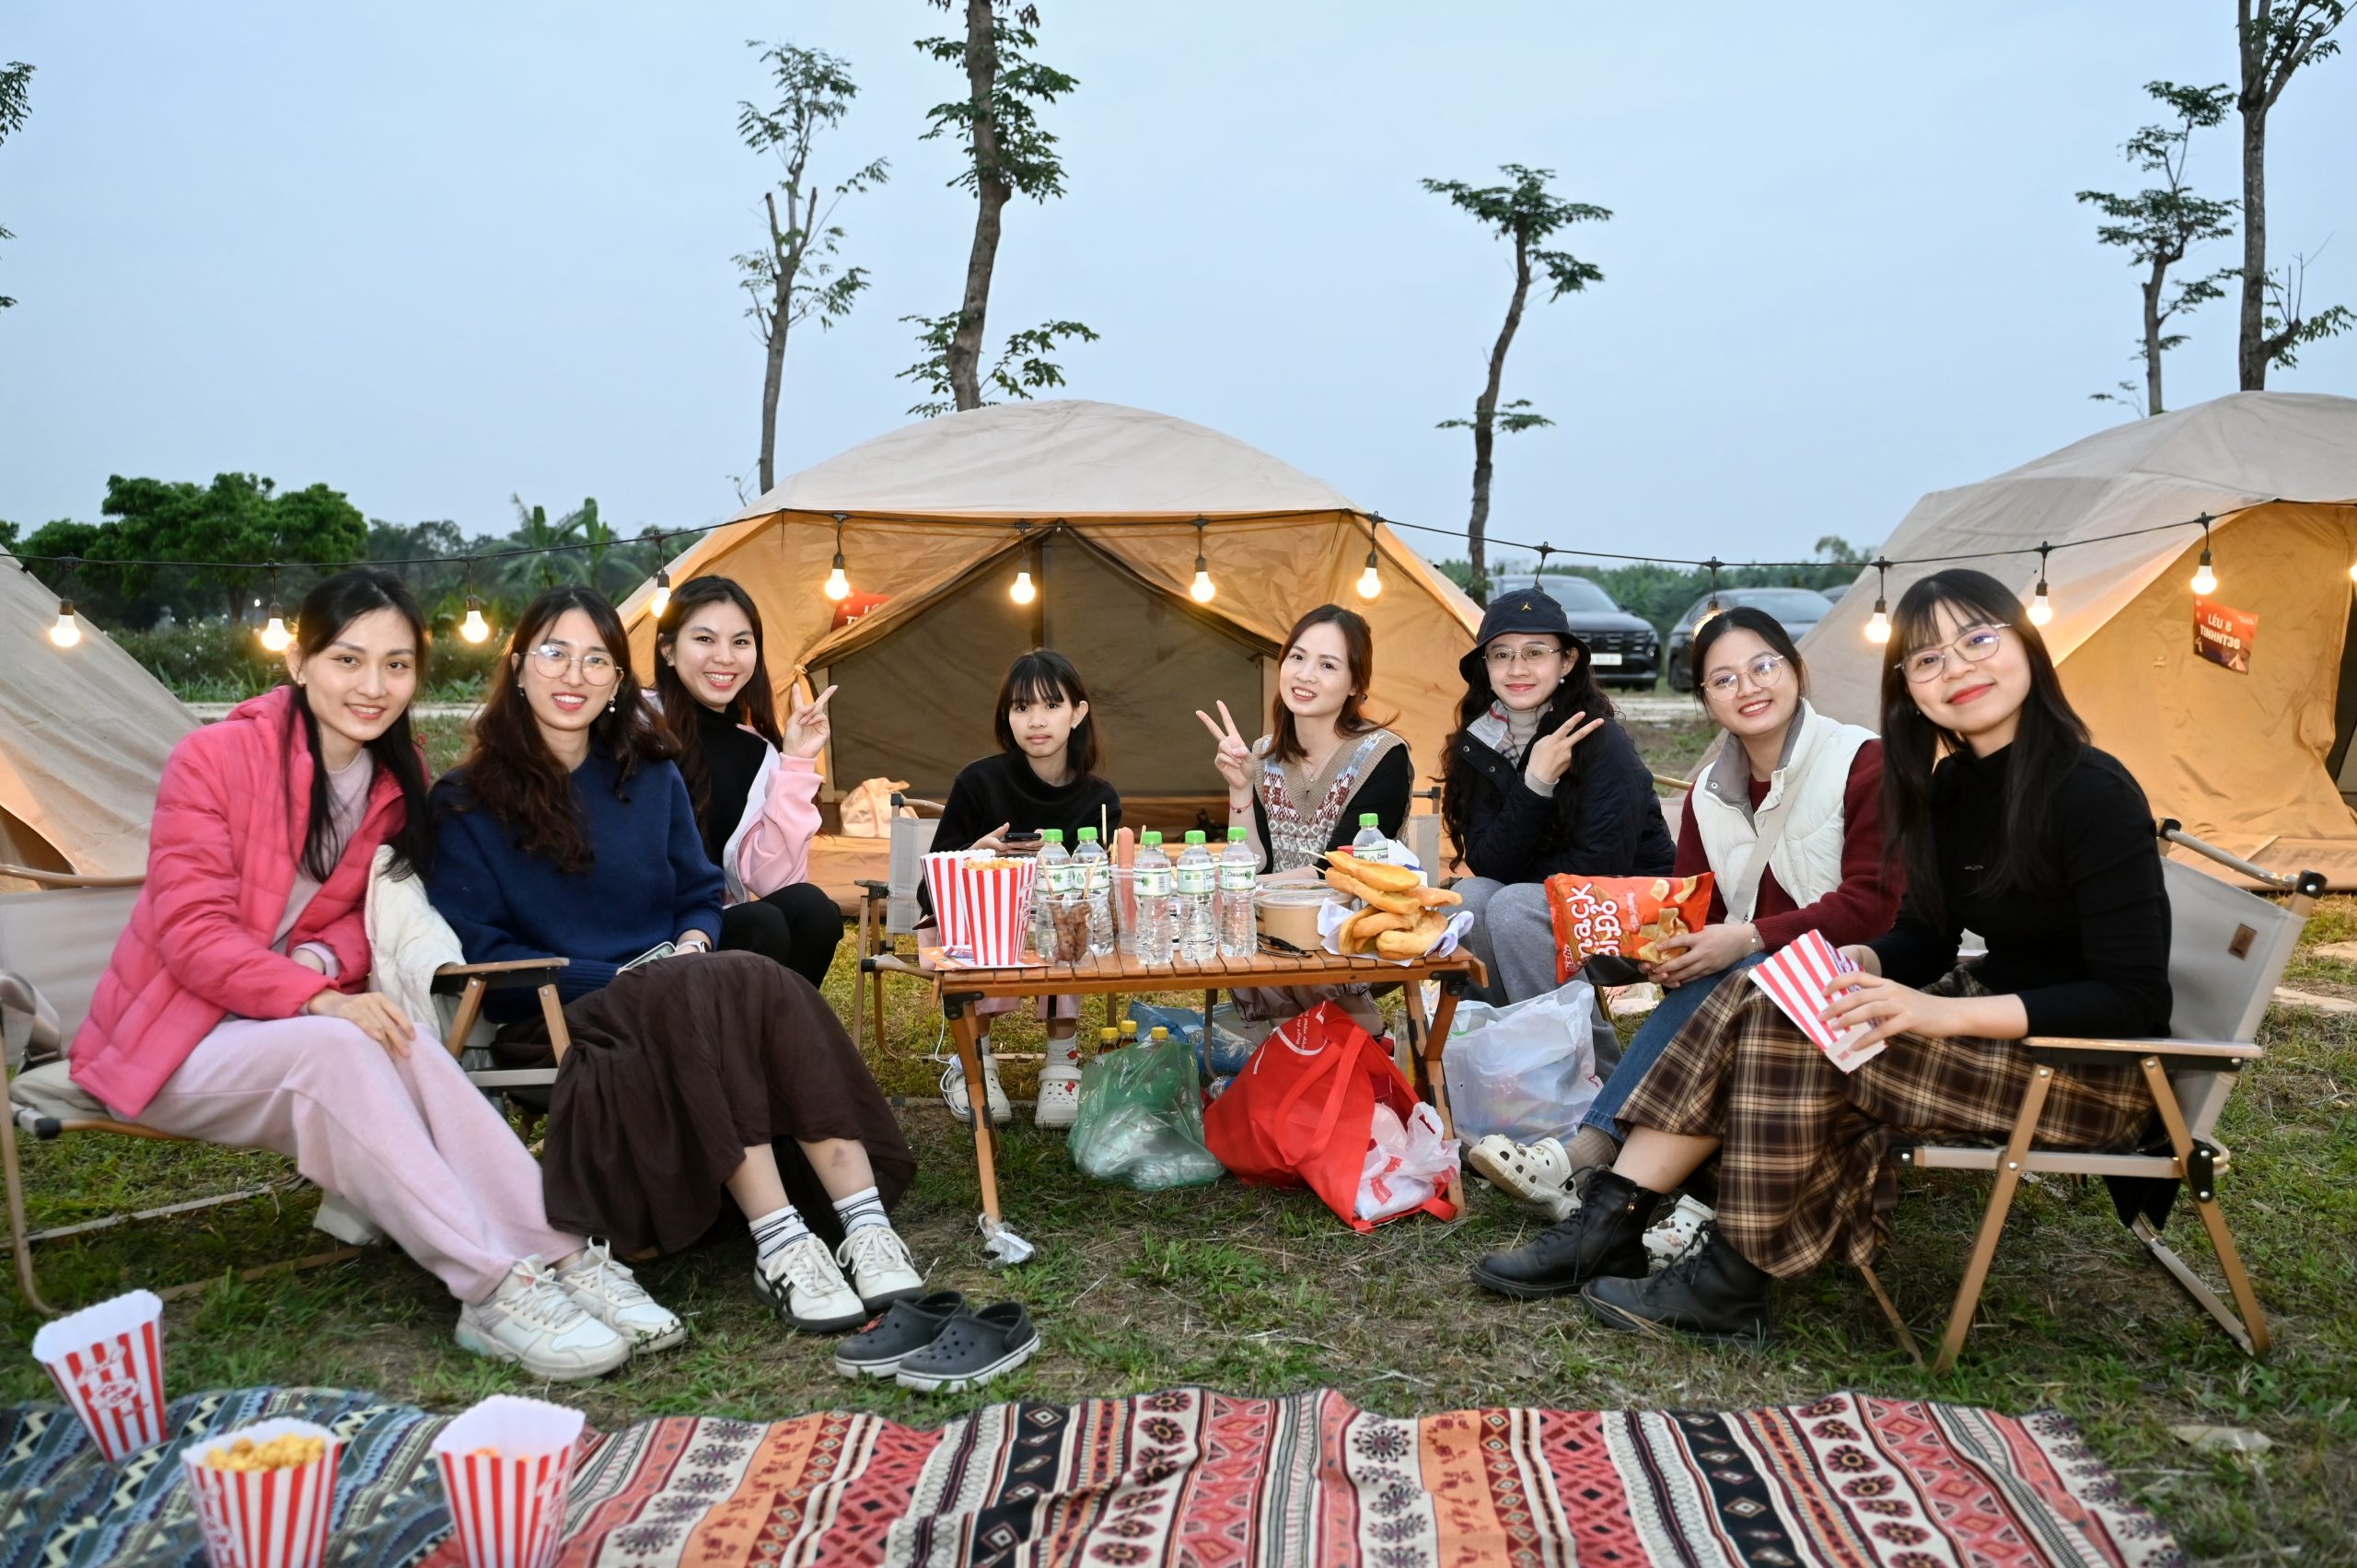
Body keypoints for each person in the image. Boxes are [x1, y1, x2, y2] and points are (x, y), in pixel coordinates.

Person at [1469, 569, 2170, 1344]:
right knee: (1772, 991)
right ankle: (1611, 1222)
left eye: (1978, 640)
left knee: (1781, 1021)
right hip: (1994, 1031)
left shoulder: (2090, 791)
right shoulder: (1951, 788)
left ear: (2027, 647)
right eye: (1929, 658)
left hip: (2084, 1068)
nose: (1958, 669)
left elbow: (2132, 999)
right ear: (1910, 688)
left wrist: (1935, 1011)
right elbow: (1926, 937)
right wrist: (1860, 961)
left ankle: (1727, 1276)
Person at [69, 569, 670, 1380]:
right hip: (172, 1039)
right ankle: (491, 1287)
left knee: (404, 1039)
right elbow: (190, 933)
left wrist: (319, 968)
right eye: (347, 660)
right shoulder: (213, 758)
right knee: (343, 1047)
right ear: (300, 662)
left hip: (279, 1019)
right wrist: (316, 996)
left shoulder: (393, 781)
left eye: (396, 665)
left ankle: (561, 1252)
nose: (372, 686)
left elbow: (360, 920)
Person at [429, 585, 923, 1336]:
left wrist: (693, 941)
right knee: (710, 988)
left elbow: (698, 889)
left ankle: (865, 1223)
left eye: (597, 659)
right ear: (519, 665)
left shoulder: (647, 772)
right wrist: (619, 977)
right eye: (555, 653)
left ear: (618, 680)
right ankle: (781, 1241)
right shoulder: (465, 799)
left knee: (748, 971)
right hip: (564, 1015)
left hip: (676, 982)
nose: (575, 674)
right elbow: (485, 954)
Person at [1468, 606, 1901, 1215]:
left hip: (1847, 978)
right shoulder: (1707, 794)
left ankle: (1585, 1150)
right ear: (1705, 697)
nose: (1746, 688)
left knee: (1731, 970)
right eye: (1724, 679)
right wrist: (1679, 952)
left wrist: (1744, 939)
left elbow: (1876, 905)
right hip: (1747, 974)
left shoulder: (1862, 761)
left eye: (1763, 667)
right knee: (1484, 903)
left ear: (1796, 669)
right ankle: (1531, 1111)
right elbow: (1697, 908)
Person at [1442, 587, 1674, 1075]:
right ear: (1485, 665)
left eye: (1535, 652)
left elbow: (1600, 867)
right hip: (1536, 906)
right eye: (1501, 654)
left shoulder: (1601, 742)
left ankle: (1597, 1079)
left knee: (1512, 907)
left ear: (1566, 661)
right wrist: (1535, 783)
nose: (1517, 668)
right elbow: (1487, 861)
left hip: (1635, 912)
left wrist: (1518, 881)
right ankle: (1512, 1070)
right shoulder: (1480, 743)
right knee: (1471, 899)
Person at [928, 649, 1121, 1130]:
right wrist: (976, 856)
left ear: (1077, 713)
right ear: (1007, 717)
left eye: (1051, 705)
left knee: (1070, 916)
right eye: (1021, 707)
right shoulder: (978, 782)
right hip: (982, 927)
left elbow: (1105, 893)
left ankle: (1062, 1061)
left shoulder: (1099, 801)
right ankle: (975, 1060)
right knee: (988, 919)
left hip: (1057, 930)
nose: (1036, 720)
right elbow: (930, 890)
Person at [1200, 603, 1411, 1034]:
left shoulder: (1381, 755)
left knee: (1251, 915)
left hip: (1354, 928)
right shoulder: (1262, 755)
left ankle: (1353, 1044)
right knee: (1243, 925)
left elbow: (1337, 871)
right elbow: (1254, 861)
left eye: (1327, 665)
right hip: (1278, 929)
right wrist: (1240, 788)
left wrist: (1241, 888)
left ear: (1356, 685)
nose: (1306, 675)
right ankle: (1298, 1050)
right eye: (1297, 657)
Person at [650, 575, 842, 990]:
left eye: (740, 642)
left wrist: (796, 763)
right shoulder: (636, 725)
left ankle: (780, 1028)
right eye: (704, 639)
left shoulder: (756, 751)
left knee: (814, 909)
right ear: (668, 650)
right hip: (643, 922)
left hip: (710, 919)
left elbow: (774, 880)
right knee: (761, 923)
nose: (725, 658)